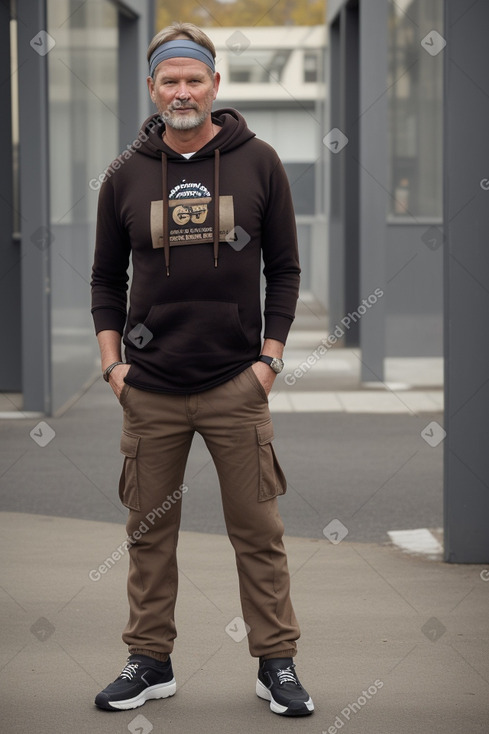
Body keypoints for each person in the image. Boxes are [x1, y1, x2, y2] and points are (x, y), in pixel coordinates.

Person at [90, 21, 313, 717]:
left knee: (259, 534)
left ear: (215, 85)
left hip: (233, 387)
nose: (182, 91)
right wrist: (112, 368)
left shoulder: (259, 162)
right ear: (151, 88)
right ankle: (149, 660)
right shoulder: (124, 173)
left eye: (194, 79)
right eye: (169, 80)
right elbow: (104, 277)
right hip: (149, 391)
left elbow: (284, 270)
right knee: (148, 536)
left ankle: (275, 663)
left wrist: (269, 362)